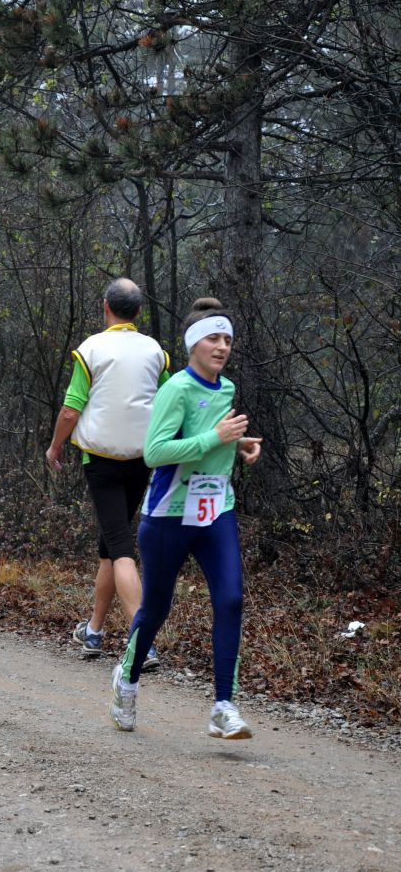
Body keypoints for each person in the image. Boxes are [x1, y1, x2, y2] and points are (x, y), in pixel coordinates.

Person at [109, 297, 262, 737]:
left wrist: (237, 444)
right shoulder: (175, 388)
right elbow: (156, 453)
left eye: (228, 339)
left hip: (216, 509)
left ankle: (223, 707)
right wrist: (216, 436)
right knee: (156, 609)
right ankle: (128, 677)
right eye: (213, 338)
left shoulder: (227, 389)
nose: (222, 346)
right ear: (194, 343)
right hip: (168, 515)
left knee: (231, 599)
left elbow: (208, 441)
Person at [46, 278, 170, 670]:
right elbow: (168, 403)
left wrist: (55, 446)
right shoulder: (155, 351)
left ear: (106, 307)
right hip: (141, 459)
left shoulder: (92, 348)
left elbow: (71, 408)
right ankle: (94, 632)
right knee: (109, 545)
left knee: (120, 548)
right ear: (138, 312)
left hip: (100, 460)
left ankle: (142, 641)